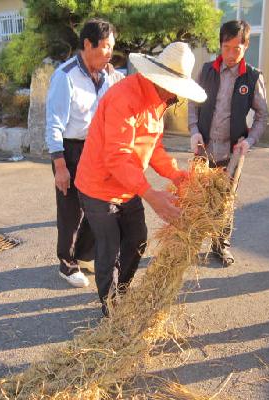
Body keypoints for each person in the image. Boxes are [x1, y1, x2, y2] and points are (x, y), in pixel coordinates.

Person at [75, 42, 207, 316]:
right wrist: (152, 196)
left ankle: (122, 293)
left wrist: (176, 174)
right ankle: (110, 308)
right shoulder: (125, 98)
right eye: (173, 92)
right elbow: (117, 157)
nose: (174, 98)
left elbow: (153, 147)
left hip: (128, 182)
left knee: (137, 239)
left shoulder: (159, 101)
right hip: (98, 186)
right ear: (158, 78)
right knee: (109, 248)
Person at [188, 20, 269, 265]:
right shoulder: (206, 71)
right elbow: (193, 103)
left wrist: (250, 140)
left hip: (233, 152)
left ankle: (220, 246)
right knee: (198, 197)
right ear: (220, 45)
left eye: (237, 48)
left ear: (246, 46)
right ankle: (190, 243)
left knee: (225, 200)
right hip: (204, 149)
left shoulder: (253, 77)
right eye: (226, 47)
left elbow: (263, 115)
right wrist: (193, 131)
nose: (231, 54)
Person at [45, 19, 117, 288]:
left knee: (97, 206)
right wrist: (60, 166)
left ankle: (85, 254)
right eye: (106, 47)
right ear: (88, 44)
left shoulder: (107, 75)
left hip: (97, 149)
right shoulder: (66, 76)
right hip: (70, 150)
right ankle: (67, 262)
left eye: (112, 47)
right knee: (70, 209)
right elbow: (53, 124)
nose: (110, 53)